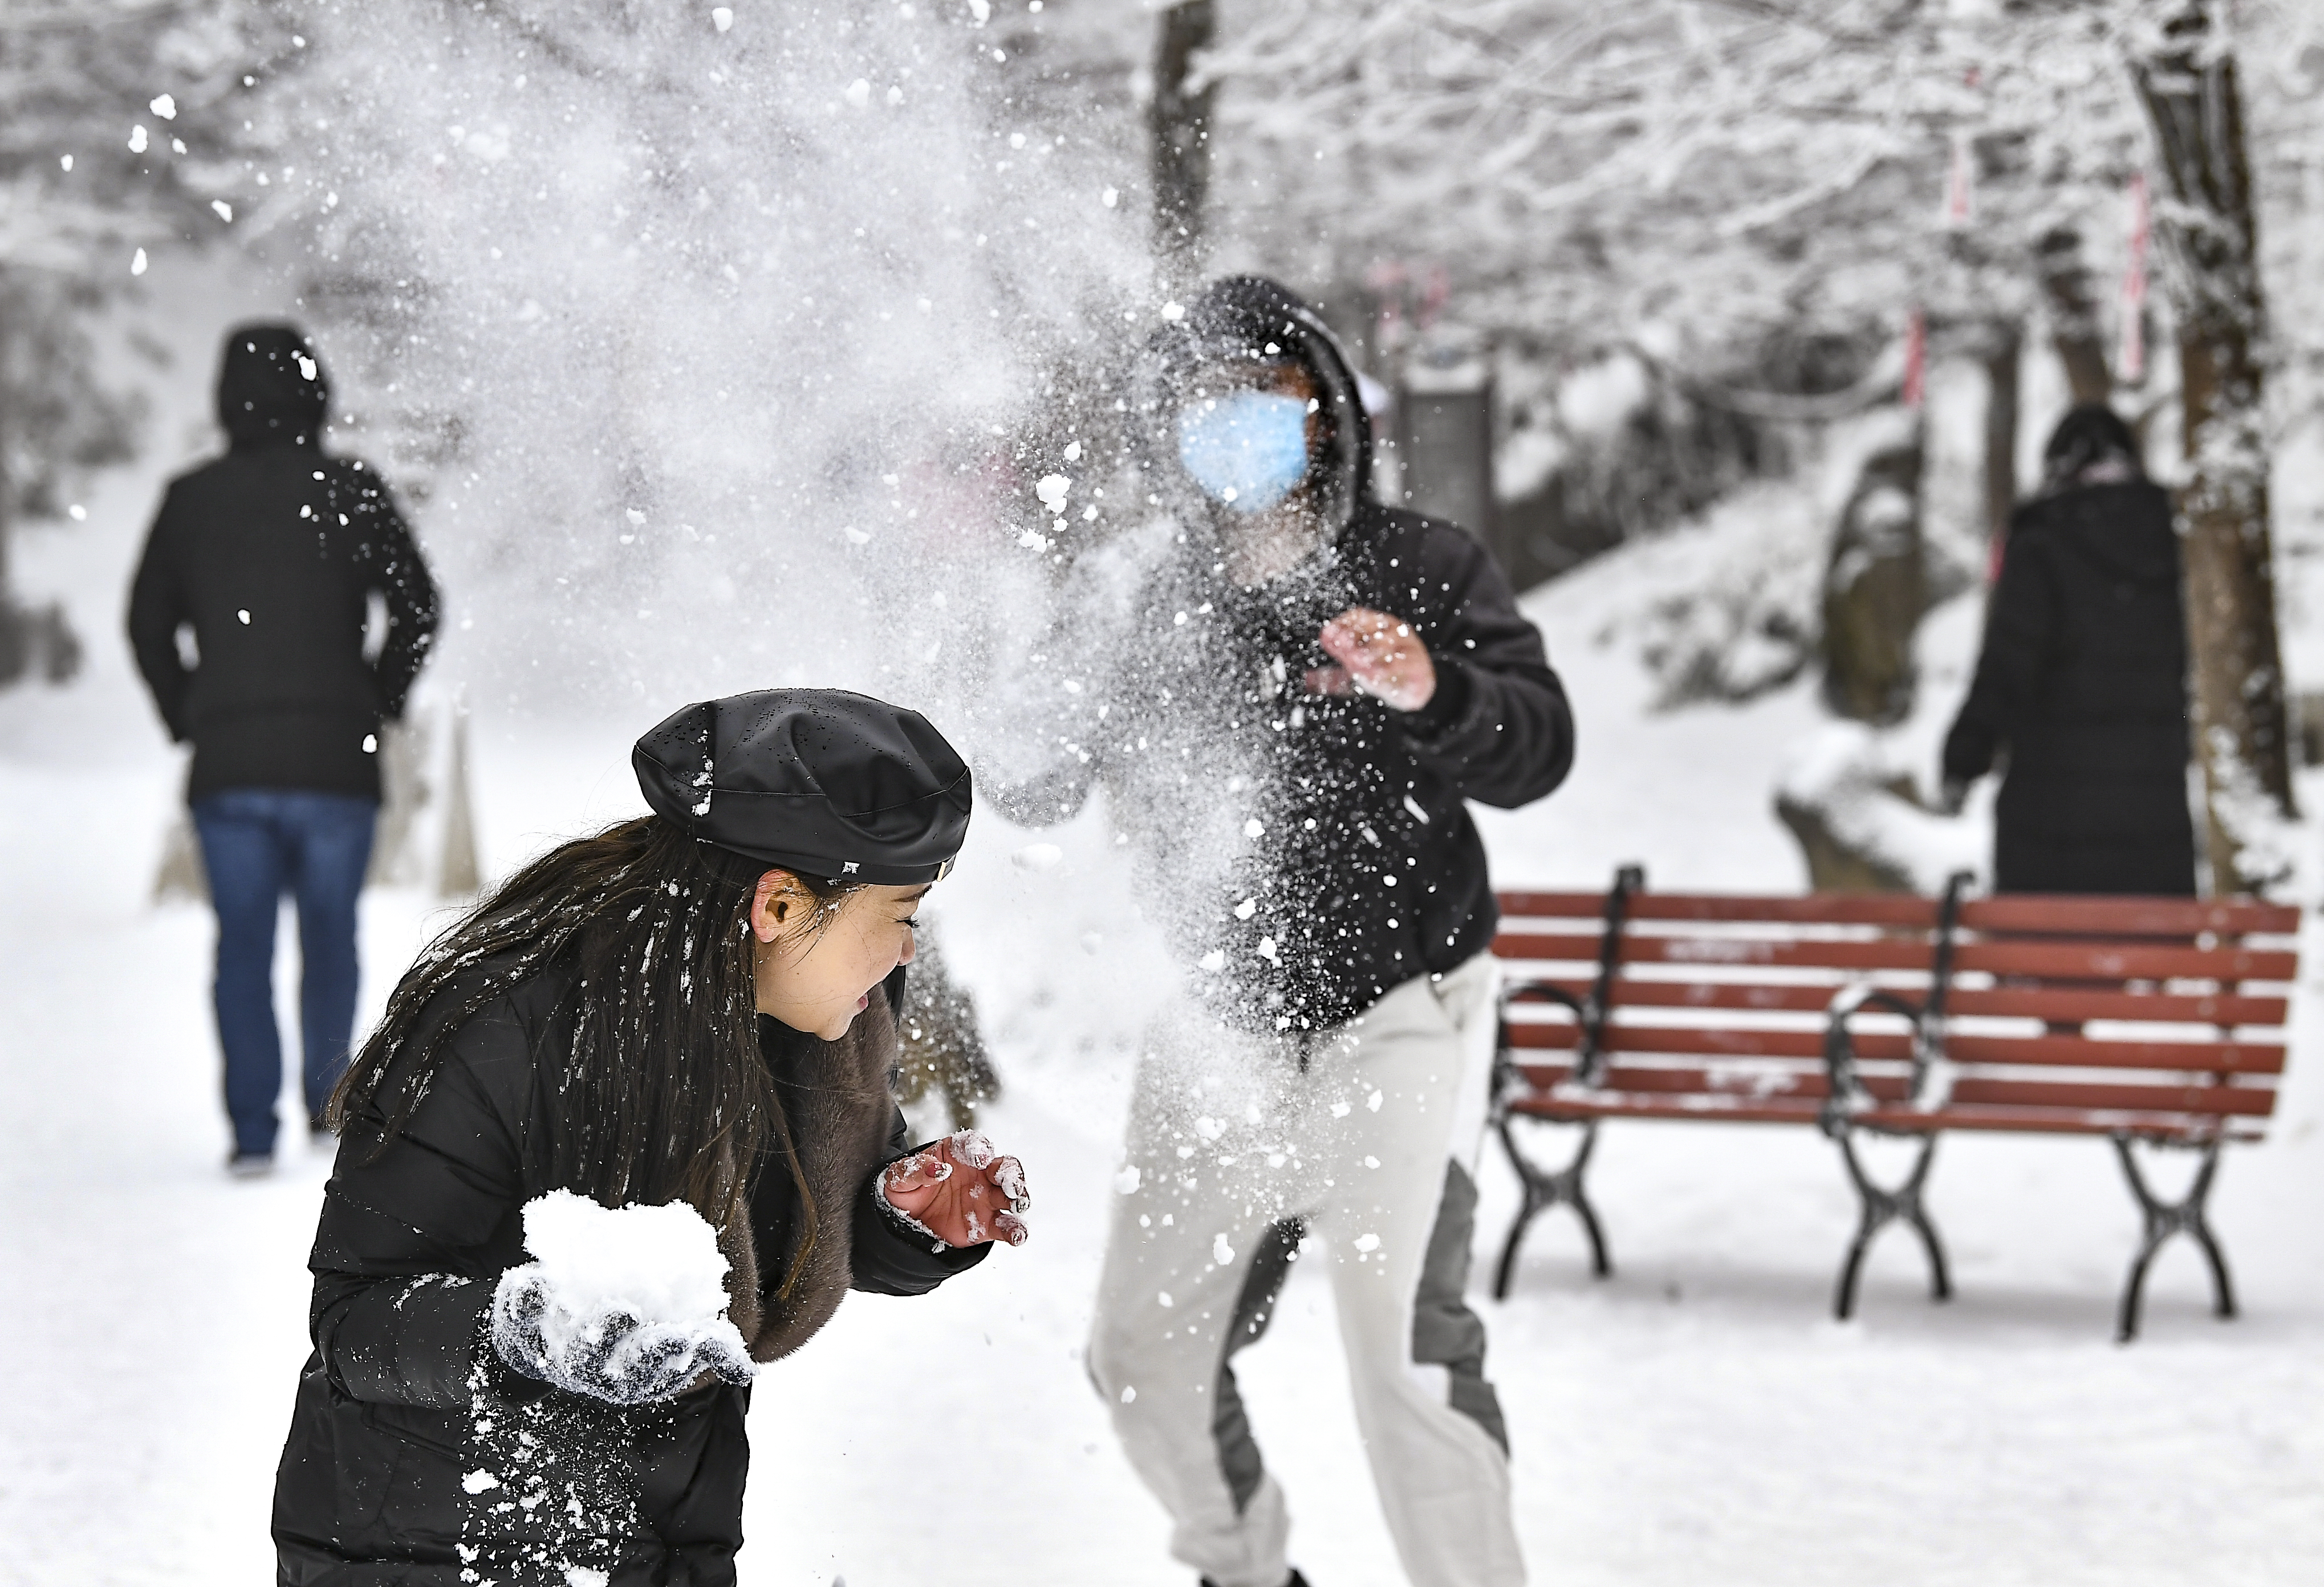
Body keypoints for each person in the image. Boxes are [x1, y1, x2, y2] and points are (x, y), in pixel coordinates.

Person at [995, 276, 1573, 1587]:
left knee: (1403, 1362)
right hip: (1218, 1025)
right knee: (1141, 1353)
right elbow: (1037, 777)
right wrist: (1009, 679)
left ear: (1324, 413)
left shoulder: (1420, 567)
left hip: (1399, 1015)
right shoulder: (1147, 600)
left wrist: (1436, 687)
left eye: (1267, 398)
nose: (1237, 426)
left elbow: (1541, 746)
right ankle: (1241, 1562)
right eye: (1207, 406)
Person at [270, 687, 1028, 1586]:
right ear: (779, 907)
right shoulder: (506, 1019)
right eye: (900, 916)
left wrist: (906, 1219)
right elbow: (355, 1318)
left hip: (660, 1541)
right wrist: (528, 1328)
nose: (909, 952)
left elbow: (794, 1232)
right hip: (429, 1546)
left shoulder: (812, 1022)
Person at [127, 324, 439, 1173]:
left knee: (242, 946)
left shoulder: (192, 499)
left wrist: (190, 710)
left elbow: (146, 624)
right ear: (317, 394)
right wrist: (378, 695)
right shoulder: (350, 490)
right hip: (337, 758)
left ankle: (251, 1130)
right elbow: (418, 607)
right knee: (331, 936)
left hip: (230, 765)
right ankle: (327, 1101)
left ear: (227, 398)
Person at [1941, 404, 2195, 894]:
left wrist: (1964, 758)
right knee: (2144, 959)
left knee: (2045, 958)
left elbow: (2008, 664)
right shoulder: (2175, 538)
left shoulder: (2042, 540)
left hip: (2049, 813)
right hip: (2152, 813)